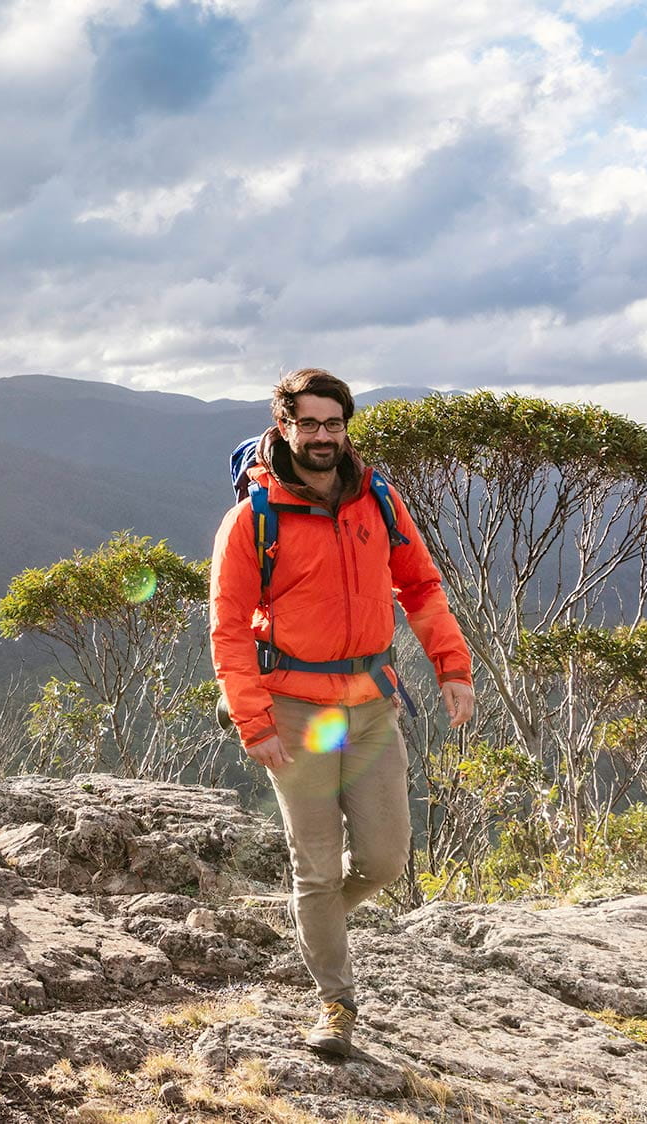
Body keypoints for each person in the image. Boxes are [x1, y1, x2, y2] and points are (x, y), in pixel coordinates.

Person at [209, 369, 475, 1057]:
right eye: (309, 424)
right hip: (295, 712)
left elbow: (419, 584)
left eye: (334, 424)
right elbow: (229, 626)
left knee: (385, 862)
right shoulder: (252, 518)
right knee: (319, 868)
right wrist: (252, 719)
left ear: (345, 427)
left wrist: (452, 665)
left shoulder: (378, 500)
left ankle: (313, 918)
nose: (322, 436)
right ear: (285, 426)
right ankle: (336, 1002)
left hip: (369, 708)